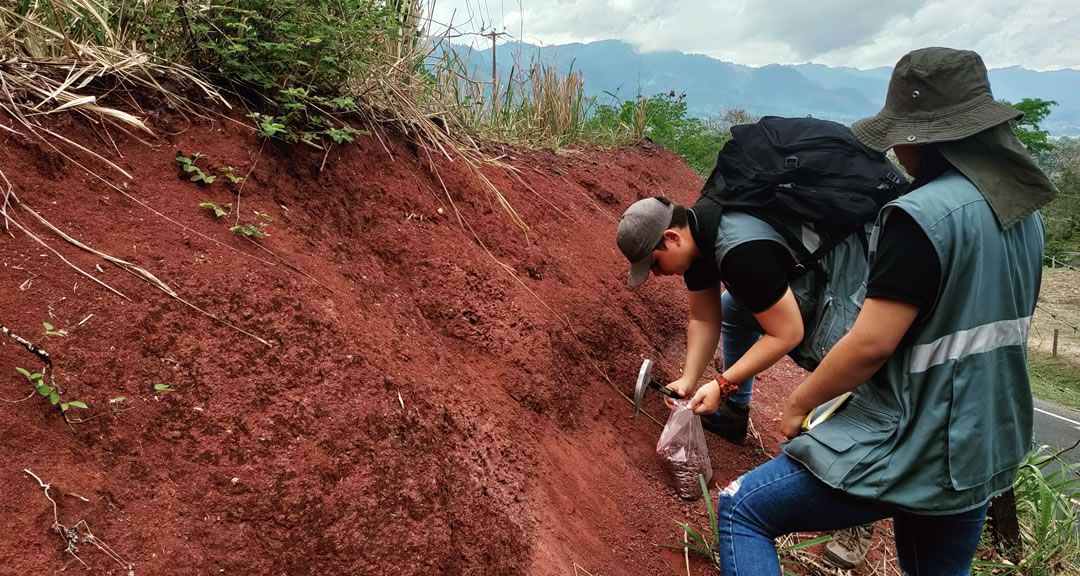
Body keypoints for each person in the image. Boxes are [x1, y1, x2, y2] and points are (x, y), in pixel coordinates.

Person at [693, 47, 1057, 575]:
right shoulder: (1023, 213)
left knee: (741, 510)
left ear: (925, 137)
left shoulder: (918, 217)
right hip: (987, 445)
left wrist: (799, 403)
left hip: (916, 442)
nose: (897, 153)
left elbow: (870, 345)